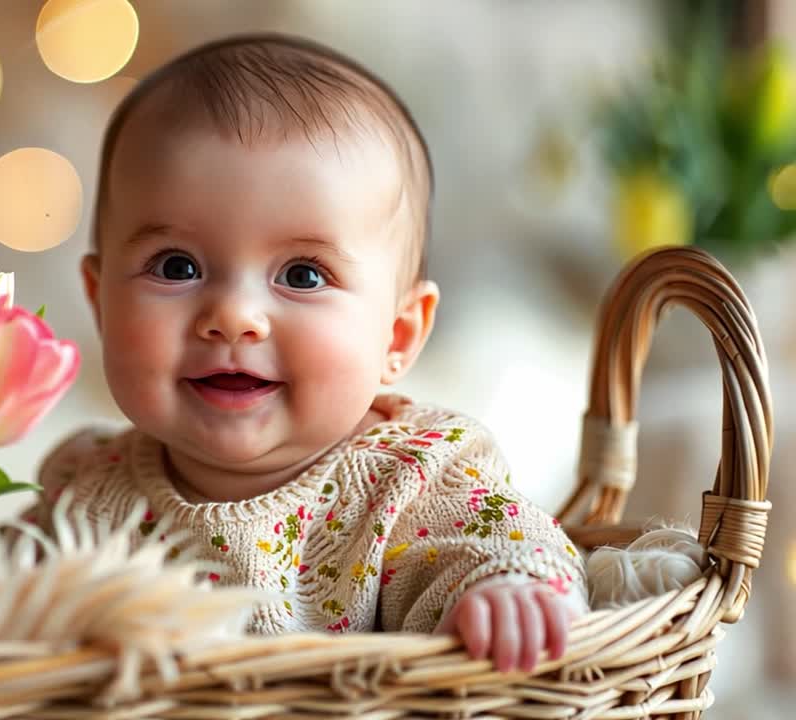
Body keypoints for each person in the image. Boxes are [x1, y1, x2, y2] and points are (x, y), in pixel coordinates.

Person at [33, 33, 586, 673]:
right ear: (100, 303)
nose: (233, 317)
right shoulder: (88, 486)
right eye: (177, 265)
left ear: (398, 336)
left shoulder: (409, 480)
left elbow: (495, 542)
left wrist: (506, 590)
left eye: (302, 275)